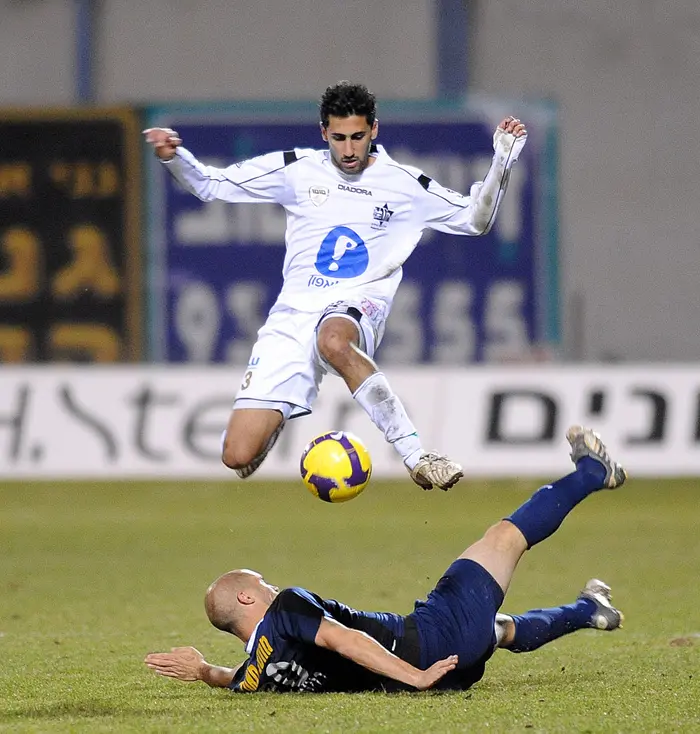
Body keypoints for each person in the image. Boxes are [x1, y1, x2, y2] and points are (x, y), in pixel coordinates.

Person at [143, 81, 528, 491]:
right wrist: (175, 157)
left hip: (358, 302)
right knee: (236, 455)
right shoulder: (297, 169)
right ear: (323, 132)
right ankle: (281, 413)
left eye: (358, 137)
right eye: (339, 138)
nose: (348, 150)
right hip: (292, 316)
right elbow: (211, 184)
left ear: (374, 131)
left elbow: (476, 220)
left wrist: (501, 160)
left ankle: (416, 454)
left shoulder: (405, 184)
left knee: (333, 341)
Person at [144, 425, 627, 693]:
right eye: (262, 580)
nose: (272, 584)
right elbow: (344, 639)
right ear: (248, 597)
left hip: (442, 672)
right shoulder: (286, 608)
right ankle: (593, 471)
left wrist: (205, 670)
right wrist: (415, 675)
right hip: (427, 645)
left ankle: (590, 611)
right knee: (504, 538)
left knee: (495, 630)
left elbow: (235, 677)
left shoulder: (258, 676)